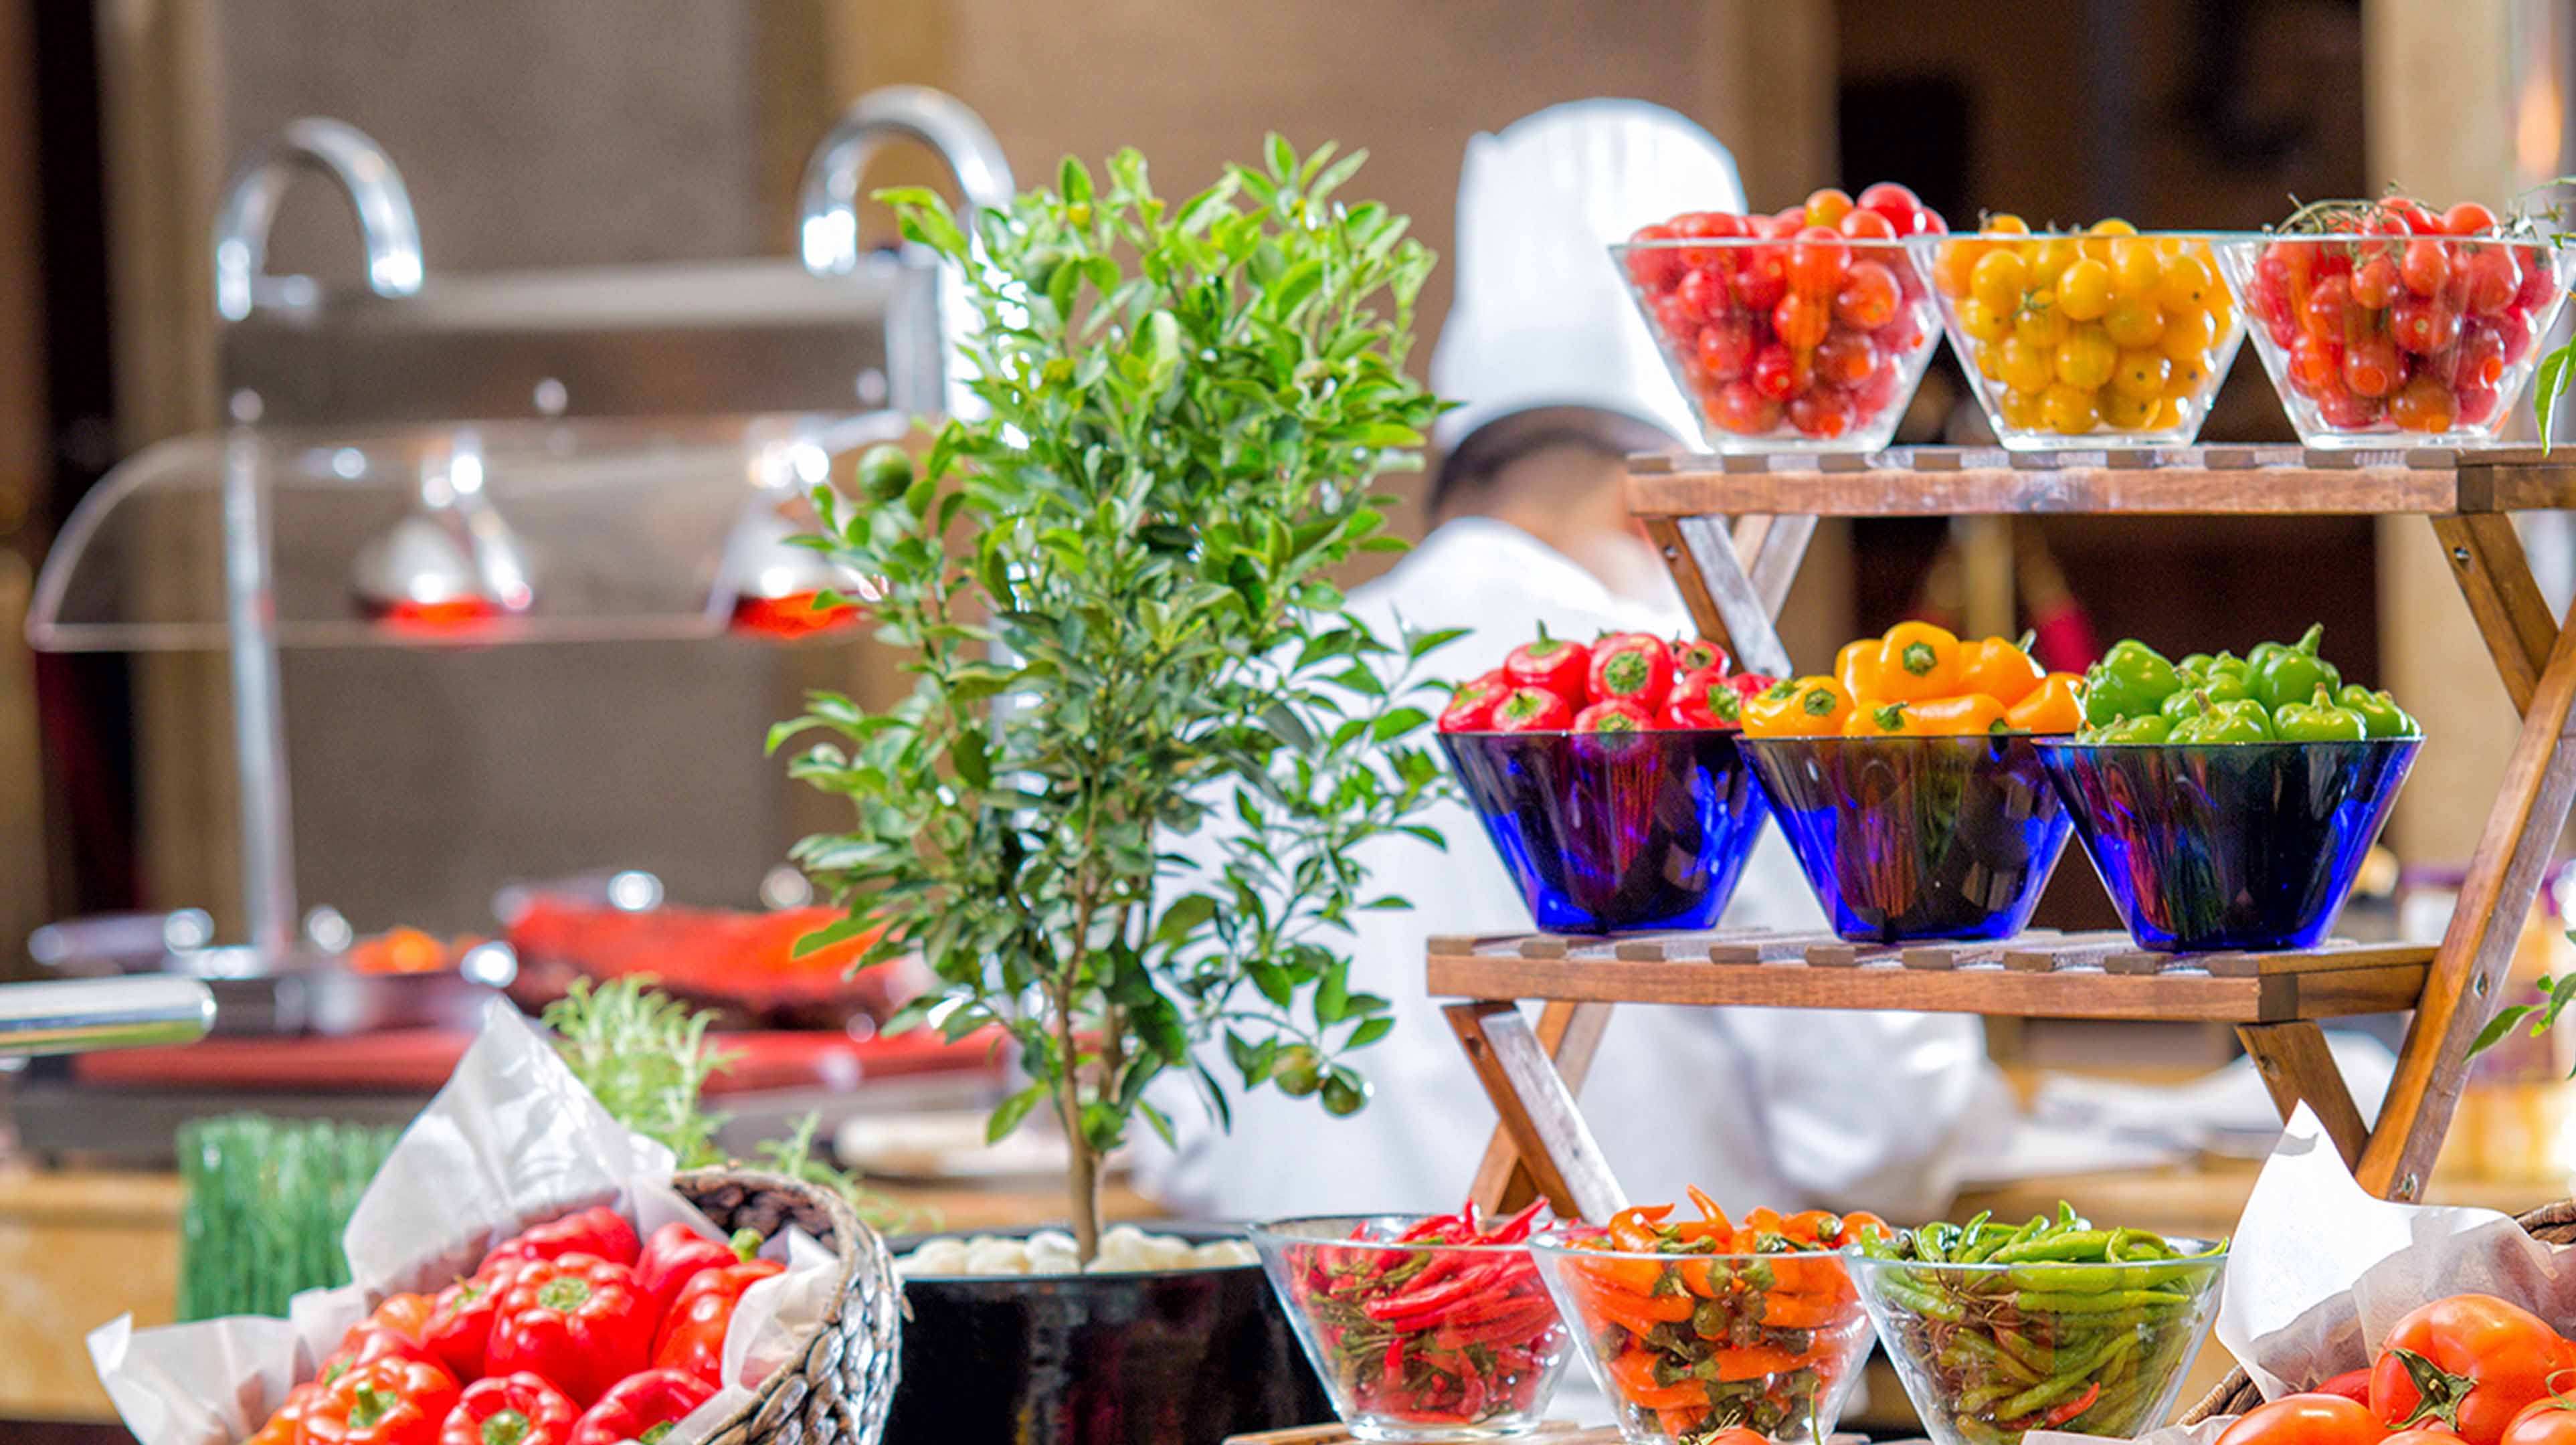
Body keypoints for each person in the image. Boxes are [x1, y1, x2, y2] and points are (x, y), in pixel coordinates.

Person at [1133, 100, 2005, 1224]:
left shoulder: (1247, 693)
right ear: (1670, 506)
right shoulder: (1713, 713)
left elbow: (1172, 1141)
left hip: (1310, 1323)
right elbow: (1883, 1139)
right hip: (1672, 1330)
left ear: (1456, 476)